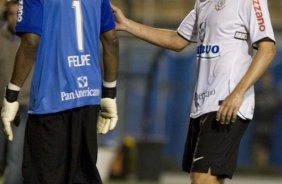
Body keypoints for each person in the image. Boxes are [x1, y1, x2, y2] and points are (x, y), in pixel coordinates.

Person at [111, 0, 276, 183]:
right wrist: (126, 24)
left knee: (201, 178)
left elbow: (267, 49)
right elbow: (177, 40)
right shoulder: (203, 2)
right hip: (202, 105)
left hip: (227, 104)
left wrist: (238, 93)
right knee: (208, 179)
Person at [1, 0, 119, 183]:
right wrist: (109, 94)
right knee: (82, 176)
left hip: (51, 100)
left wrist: (11, 94)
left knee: (43, 177)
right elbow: (111, 39)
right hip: (88, 97)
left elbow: (31, 43)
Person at [0, 1, 32, 183]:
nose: (15, 18)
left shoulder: (32, 40)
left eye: (18, 13)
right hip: (1, 106)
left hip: (22, 107)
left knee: (15, 158)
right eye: (11, 14)